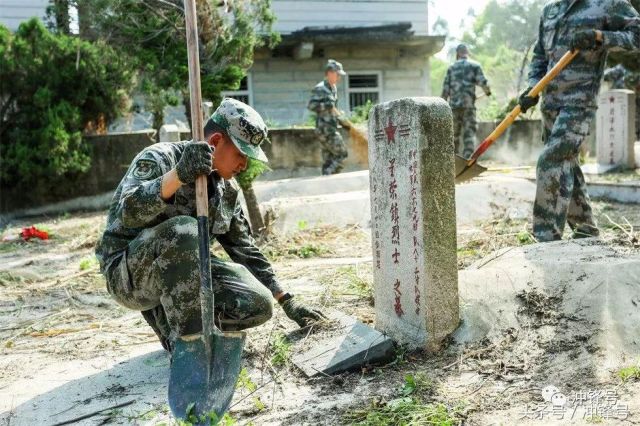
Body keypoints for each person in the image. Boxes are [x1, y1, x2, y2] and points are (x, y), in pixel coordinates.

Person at [95, 98, 325, 351]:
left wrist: (286, 300)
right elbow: (128, 212)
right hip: (128, 274)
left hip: (187, 271)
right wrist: (179, 175)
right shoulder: (161, 158)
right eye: (241, 153)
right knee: (183, 230)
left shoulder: (227, 191)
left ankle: (179, 322)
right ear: (215, 142)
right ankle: (189, 344)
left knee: (257, 303)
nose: (244, 164)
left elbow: (245, 250)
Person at [518, 0, 640, 242]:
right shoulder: (550, 10)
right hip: (551, 103)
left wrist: (599, 37)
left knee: (550, 160)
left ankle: (545, 237)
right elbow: (540, 56)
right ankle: (586, 229)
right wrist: (532, 88)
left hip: (580, 100)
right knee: (567, 163)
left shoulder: (607, 4)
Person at [441, 44, 492, 158]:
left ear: (457, 54)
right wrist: (488, 92)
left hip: (453, 108)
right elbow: (484, 83)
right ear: (466, 52)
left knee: (453, 136)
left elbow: (445, 91)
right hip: (469, 107)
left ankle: (453, 163)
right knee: (469, 135)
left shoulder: (451, 68)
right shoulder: (475, 66)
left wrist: (443, 107)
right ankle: (468, 162)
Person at [308, 59, 349, 175]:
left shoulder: (333, 88)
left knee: (329, 159)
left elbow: (333, 109)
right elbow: (311, 105)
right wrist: (327, 105)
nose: (339, 78)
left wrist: (339, 115)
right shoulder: (320, 88)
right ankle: (328, 175)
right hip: (324, 129)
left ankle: (328, 182)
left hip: (331, 127)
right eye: (338, 74)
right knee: (342, 154)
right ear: (330, 73)